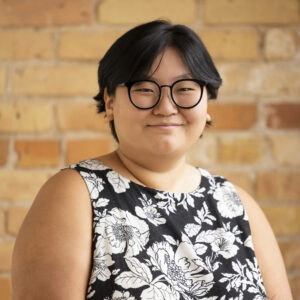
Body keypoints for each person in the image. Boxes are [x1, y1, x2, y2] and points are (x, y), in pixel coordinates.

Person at [12, 20, 292, 300]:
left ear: (206, 101)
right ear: (110, 102)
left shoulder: (236, 205)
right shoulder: (75, 195)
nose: (166, 107)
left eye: (185, 89)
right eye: (145, 89)